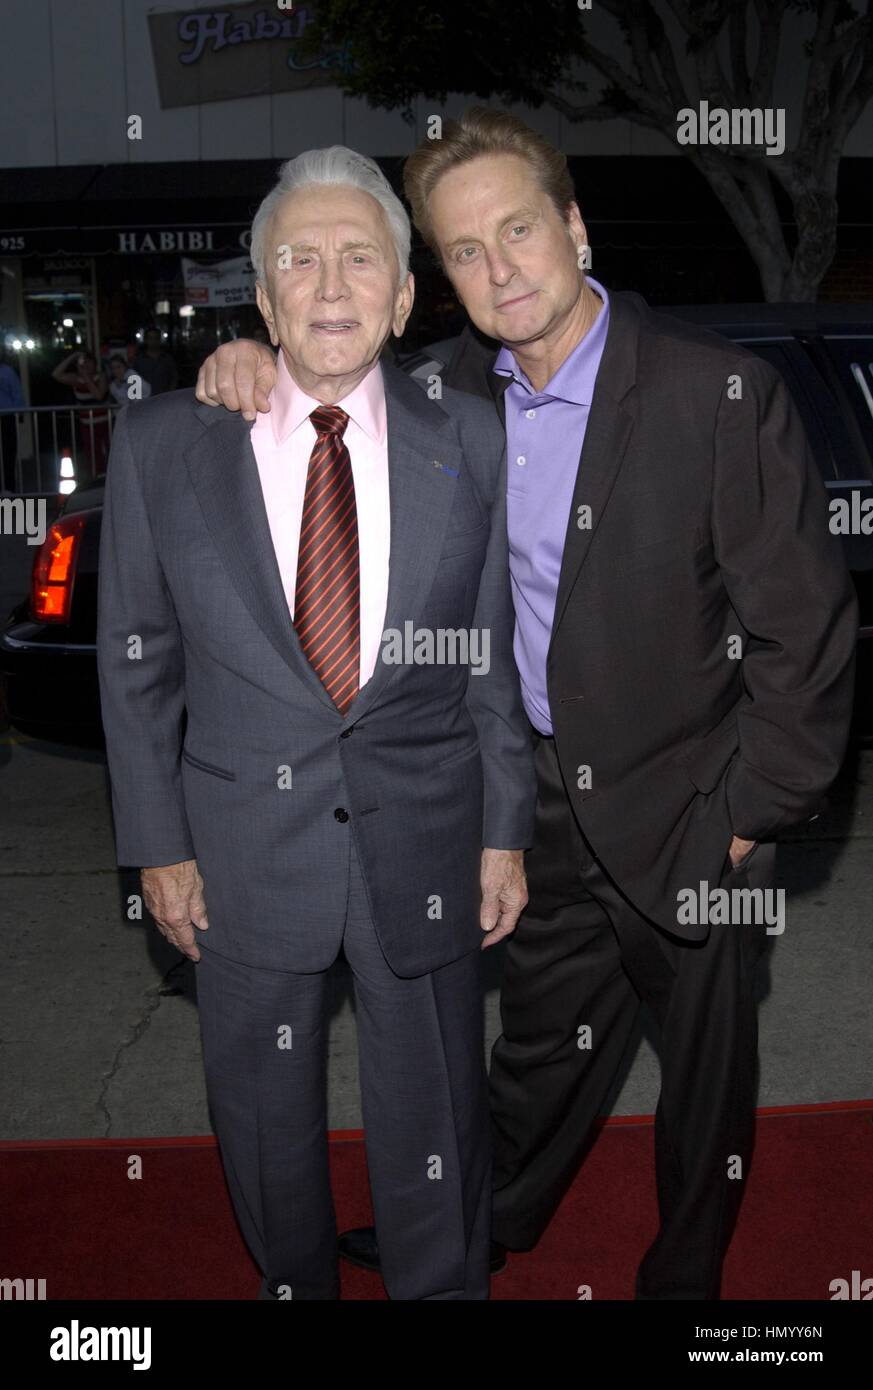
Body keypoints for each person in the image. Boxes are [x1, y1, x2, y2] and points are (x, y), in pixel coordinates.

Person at [195, 109, 858, 1301]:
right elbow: (319, 376)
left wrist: (750, 816)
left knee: (707, 1078)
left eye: (517, 231)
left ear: (575, 227)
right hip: (531, 799)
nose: (498, 267)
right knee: (539, 1049)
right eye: (462, 249)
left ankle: (686, 1283)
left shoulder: (720, 392)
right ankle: (485, 1221)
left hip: (694, 798)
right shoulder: (448, 397)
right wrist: (237, 367)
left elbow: (804, 637)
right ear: (438, 280)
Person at [97, 145, 536, 1301]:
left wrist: (505, 830)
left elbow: (487, 657)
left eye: (361, 259)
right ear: (263, 293)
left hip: (429, 842)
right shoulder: (164, 449)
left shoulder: (473, 440)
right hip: (238, 853)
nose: (330, 285)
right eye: (301, 260)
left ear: (402, 296)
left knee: (436, 1114)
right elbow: (137, 667)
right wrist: (156, 844)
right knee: (261, 1124)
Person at [52, 349, 111, 473]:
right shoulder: (76, 379)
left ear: (95, 364)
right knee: (93, 457)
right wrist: (73, 356)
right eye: (84, 363)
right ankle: (97, 481)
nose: (87, 365)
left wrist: (87, 378)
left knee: (110, 454)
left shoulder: (101, 376)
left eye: (90, 362)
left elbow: (99, 395)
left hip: (104, 423)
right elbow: (56, 374)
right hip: (87, 425)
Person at [0, 348, 25, 481]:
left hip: (7, 417)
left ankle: (9, 486)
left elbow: (17, 394)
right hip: (8, 415)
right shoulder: (8, 371)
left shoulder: (7, 371)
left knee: (8, 452)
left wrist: (19, 413)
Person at [132, 327, 178, 395]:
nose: (153, 341)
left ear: (159, 340)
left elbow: (174, 378)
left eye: (156, 338)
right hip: (144, 399)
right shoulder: (139, 360)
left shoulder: (167, 359)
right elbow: (134, 379)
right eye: (150, 338)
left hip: (164, 398)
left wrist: (170, 393)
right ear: (145, 340)